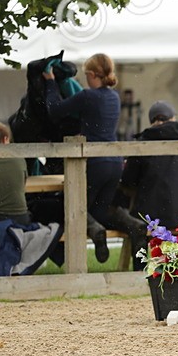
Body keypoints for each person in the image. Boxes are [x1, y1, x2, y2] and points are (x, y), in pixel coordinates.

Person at [42, 52, 124, 263]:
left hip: (95, 162)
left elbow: (54, 110)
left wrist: (51, 83)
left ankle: (95, 232)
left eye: (87, 74)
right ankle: (134, 225)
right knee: (100, 211)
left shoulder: (88, 96)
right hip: (115, 162)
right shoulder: (114, 97)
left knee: (74, 206)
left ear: (93, 74)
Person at [121, 101, 178, 270]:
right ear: (173, 118)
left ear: (152, 121)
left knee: (136, 222)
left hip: (153, 215)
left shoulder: (143, 141)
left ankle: (141, 270)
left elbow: (129, 180)